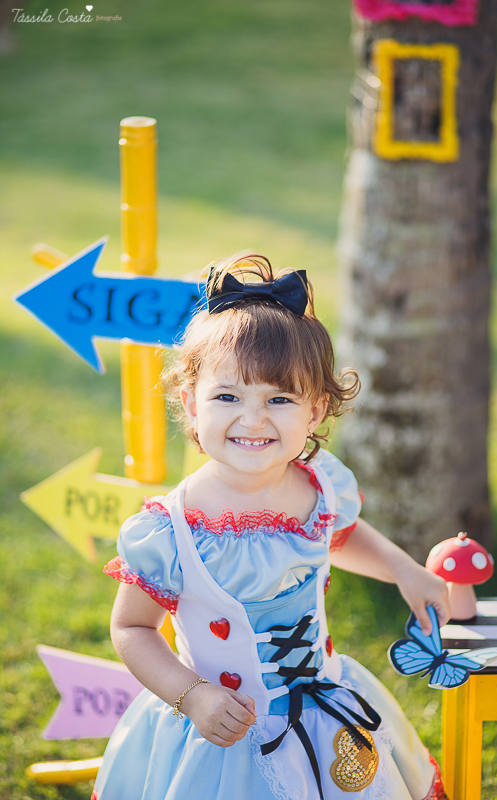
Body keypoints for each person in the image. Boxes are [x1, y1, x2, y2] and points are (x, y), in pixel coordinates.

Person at [92, 254, 450, 800]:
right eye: (227, 397)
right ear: (191, 404)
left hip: (325, 707)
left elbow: (341, 535)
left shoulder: (320, 487)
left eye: (280, 399)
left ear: (315, 410)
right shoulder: (171, 531)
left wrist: (404, 570)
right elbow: (132, 629)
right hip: (220, 730)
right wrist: (192, 696)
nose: (253, 419)